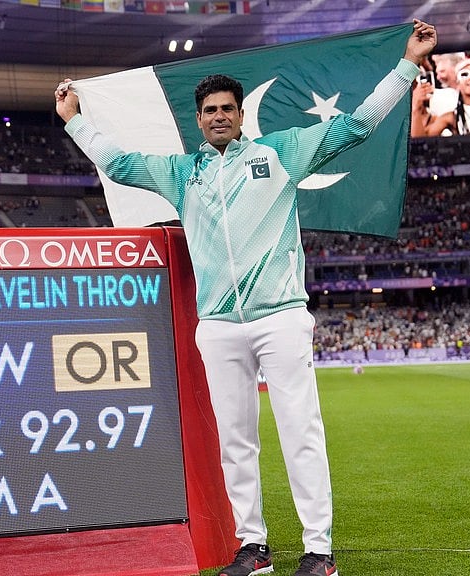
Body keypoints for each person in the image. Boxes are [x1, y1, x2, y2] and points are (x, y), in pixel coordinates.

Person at [55, 19, 437, 576]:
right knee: (236, 443)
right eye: (208, 110)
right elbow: (115, 164)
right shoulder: (181, 173)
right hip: (217, 325)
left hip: (280, 317)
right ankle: (252, 549)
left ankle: (319, 551)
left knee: (300, 433)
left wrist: (407, 65)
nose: (218, 116)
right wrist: (75, 121)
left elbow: (355, 127)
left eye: (227, 109)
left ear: (240, 115)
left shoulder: (280, 154)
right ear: (199, 119)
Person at [412, 58, 470, 136]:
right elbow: (421, 141)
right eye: (464, 74)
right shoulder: (452, 117)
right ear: (458, 83)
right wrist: (416, 108)